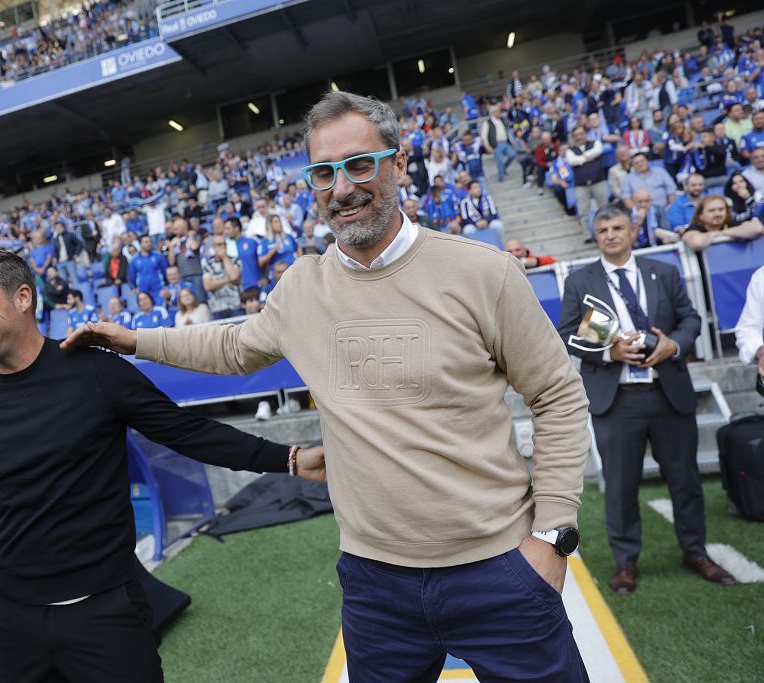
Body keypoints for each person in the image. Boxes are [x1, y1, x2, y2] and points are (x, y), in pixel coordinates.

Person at [65, 91, 592, 680]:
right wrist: (132, 340)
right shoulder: (302, 287)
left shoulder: (482, 272)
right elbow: (235, 348)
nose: (342, 188)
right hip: (375, 586)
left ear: (398, 163)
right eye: (323, 173)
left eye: (360, 164)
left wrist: (552, 535)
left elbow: (558, 395)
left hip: (500, 570)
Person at [0, 249, 323, 683]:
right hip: (17, 622)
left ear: (23, 297)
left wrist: (288, 459)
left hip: (108, 613)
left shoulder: (96, 370)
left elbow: (186, 432)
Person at [557, 203, 734, 594]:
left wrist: (674, 345)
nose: (610, 235)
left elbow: (691, 320)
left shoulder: (664, 273)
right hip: (617, 399)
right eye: (602, 230)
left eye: (617, 227)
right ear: (596, 235)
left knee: (685, 480)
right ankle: (625, 563)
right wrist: (608, 351)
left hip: (668, 391)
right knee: (620, 486)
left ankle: (696, 551)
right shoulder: (580, 280)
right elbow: (568, 331)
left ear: (633, 230)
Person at [565, 126, 609, 239]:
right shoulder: (570, 150)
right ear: (573, 137)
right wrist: (588, 157)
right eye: (576, 135)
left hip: (599, 180)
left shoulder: (595, 142)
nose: (579, 136)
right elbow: (572, 161)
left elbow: (598, 151)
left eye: (581, 133)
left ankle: (606, 233)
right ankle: (587, 235)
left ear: (586, 133)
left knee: (605, 208)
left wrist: (581, 158)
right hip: (581, 185)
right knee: (583, 211)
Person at [679, 194, 764, 252]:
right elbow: (697, 243)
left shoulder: (730, 223)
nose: (717, 214)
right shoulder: (694, 228)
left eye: (721, 209)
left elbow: (758, 229)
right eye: (711, 210)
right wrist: (717, 234)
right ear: (701, 215)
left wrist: (721, 233)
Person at [202, 234, 243, 320]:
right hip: (217, 308)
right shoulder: (207, 264)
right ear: (213, 247)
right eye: (219, 244)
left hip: (235, 306)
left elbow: (234, 277)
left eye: (224, 244)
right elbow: (208, 286)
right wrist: (228, 279)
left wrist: (224, 257)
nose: (222, 247)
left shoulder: (235, 260)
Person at [480, 102, 515, 182]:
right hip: (496, 144)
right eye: (498, 111)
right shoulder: (487, 122)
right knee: (499, 160)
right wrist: (487, 145)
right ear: (494, 112)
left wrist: (511, 140)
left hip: (505, 142)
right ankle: (501, 177)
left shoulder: (502, 120)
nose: (500, 113)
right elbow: (483, 136)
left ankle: (504, 168)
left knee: (512, 155)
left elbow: (507, 130)